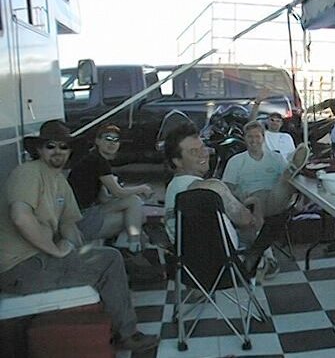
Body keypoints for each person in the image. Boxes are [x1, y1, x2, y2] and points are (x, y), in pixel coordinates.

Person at [0, 120, 159, 352]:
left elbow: (69, 223)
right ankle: (127, 334)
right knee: (111, 261)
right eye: (51, 146)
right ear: (39, 150)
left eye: (63, 146)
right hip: (20, 268)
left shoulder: (59, 181)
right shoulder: (28, 173)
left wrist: (76, 249)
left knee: (106, 257)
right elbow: (20, 217)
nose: (58, 151)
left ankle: (118, 326)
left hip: (40, 261)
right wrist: (56, 251)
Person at [163, 123, 282, 278]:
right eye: (194, 152)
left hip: (189, 270)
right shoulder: (212, 188)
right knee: (264, 216)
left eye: (203, 148)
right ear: (177, 161)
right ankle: (266, 262)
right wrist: (253, 203)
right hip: (226, 267)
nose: (203, 154)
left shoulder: (173, 188)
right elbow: (246, 220)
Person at [222, 121, 310, 276]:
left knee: (285, 181)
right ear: (244, 138)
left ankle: (292, 168)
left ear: (263, 138)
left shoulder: (275, 158)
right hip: (249, 201)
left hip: (275, 198)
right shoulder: (236, 161)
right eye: (250, 137)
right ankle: (267, 256)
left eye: (257, 136)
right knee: (256, 201)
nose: (254, 140)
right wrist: (240, 195)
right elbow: (227, 187)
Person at [68, 124, 152, 253]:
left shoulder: (93, 158)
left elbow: (104, 198)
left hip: (84, 214)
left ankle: (133, 243)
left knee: (133, 206)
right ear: (98, 141)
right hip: (81, 220)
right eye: (108, 139)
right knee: (137, 213)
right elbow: (118, 192)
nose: (112, 143)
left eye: (116, 140)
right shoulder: (98, 161)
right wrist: (142, 188)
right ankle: (135, 247)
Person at [249, 88, 296, 159]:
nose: (275, 123)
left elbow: (293, 156)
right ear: (267, 121)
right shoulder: (262, 135)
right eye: (272, 120)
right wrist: (257, 103)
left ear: (281, 123)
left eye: (278, 121)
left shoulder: (287, 137)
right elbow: (252, 122)